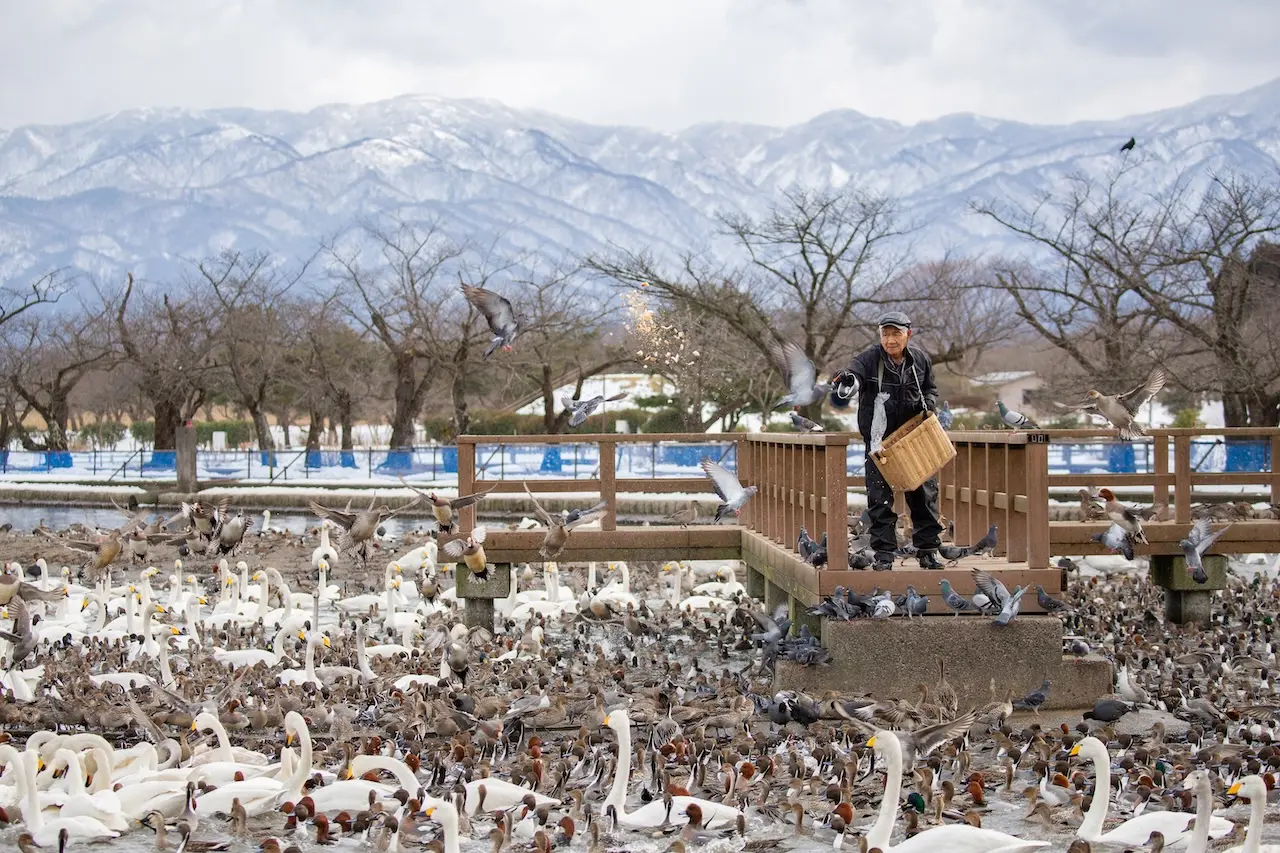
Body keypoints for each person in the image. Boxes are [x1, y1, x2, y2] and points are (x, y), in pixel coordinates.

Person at [831, 311, 944, 571]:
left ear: (908, 334)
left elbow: (930, 388)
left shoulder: (920, 360)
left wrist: (929, 403)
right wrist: (848, 379)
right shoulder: (869, 359)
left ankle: (928, 551)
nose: (890, 340)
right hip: (879, 443)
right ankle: (884, 555)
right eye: (886, 334)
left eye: (896, 334)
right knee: (880, 499)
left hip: (914, 438)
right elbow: (854, 375)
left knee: (924, 495)